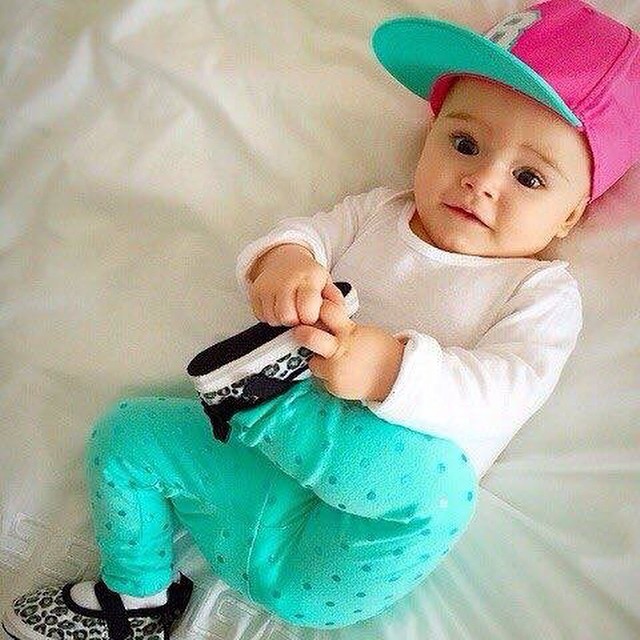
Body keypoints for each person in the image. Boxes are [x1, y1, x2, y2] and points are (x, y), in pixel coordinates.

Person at [3, 0, 639, 637]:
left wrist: (389, 369)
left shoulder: (540, 292)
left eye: (529, 177)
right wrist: (284, 266)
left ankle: (261, 399)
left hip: (342, 544)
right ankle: (136, 595)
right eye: (465, 144)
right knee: (127, 435)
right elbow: (302, 237)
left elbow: (507, 390)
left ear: (571, 215)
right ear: (429, 138)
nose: (482, 181)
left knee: (441, 488)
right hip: (244, 485)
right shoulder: (378, 213)